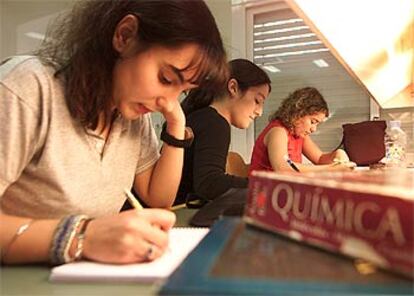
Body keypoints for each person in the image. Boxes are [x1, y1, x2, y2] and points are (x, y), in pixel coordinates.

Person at [0, 0, 227, 265]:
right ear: (125, 35)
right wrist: (82, 237)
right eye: (166, 79)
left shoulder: (131, 114)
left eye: (183, 91)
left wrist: (177, 124)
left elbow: (158, 199)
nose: (167, 101)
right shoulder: (27, 88)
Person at [176, 59, 271, 226]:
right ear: (233, 88)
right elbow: (209, 183)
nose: (260, 112)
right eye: (257, 100)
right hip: (177, 214)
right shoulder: (215, 123)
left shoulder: (202, 117)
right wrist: (265, 187)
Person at [250, 87, 355, 174]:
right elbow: (283, 168)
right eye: (313, 122)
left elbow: (319, 159)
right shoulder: (278, 131)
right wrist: (330, 169)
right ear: (298, 113)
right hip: (261, 193)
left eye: (317, 124)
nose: (314, 129)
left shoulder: (299, 135)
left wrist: (337, 154)